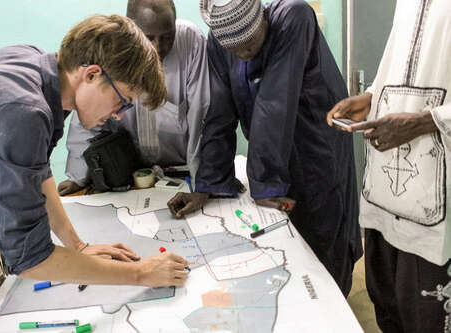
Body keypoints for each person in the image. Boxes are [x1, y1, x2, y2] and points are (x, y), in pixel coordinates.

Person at [0, 14, 189, 331]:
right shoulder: (23, 112)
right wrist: (141, 273)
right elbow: (30, 259)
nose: (118, 116)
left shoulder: (37, 66)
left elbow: (36, 170)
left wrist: (77, 246)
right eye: (123, 102)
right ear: (91, 74)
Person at [167, 0, 362, 297]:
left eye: (251, 43)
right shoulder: (218, 45)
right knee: (284, 248)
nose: (245, 54)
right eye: (236, 49)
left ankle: (333, 311)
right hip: (270, 155)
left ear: (263, 19)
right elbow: (220, 113)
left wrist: (265, 183)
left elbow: (275, 101)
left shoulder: (294, 17)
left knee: (322, 238)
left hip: (316, 152)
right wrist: (208, 183)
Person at [327, 1, 451, 331]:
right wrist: (371, 96)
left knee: (427, 320)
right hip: (385, 199)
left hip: (436, 207)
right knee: (388, 310)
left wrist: (427, 121)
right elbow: (402, 62)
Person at [58, 0, 210, 196]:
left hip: (181, 169)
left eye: (167, 36)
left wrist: (204, 183)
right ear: (132, 31)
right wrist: (78, 178)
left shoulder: (191, 40)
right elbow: (88, 115)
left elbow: (201, 113)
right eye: (149, 38)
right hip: (130, 174)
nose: (158, 47)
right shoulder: (110, 47)